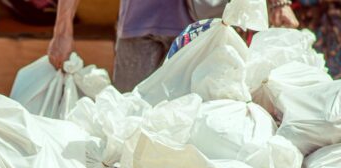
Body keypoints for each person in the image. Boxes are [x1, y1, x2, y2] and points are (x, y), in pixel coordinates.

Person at [48, 0, 300, 92]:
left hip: (204, 28)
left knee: (201, 125)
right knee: (129, 121)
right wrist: (62, 31)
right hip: (138, 28)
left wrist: (279, 2)